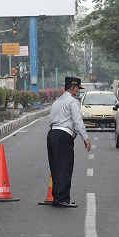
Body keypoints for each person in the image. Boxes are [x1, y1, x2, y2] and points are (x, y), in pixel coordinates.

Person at [46, 76, 91, 208]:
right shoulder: (72, 102)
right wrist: (85, 138)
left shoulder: (57, 101)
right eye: (77, 88)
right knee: (65, 168)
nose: (78, 91)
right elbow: (77, 121)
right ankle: (62, 199)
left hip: (52, 135)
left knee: (55, 167)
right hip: (63, 136)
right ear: (73, 87)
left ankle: (57, 197)